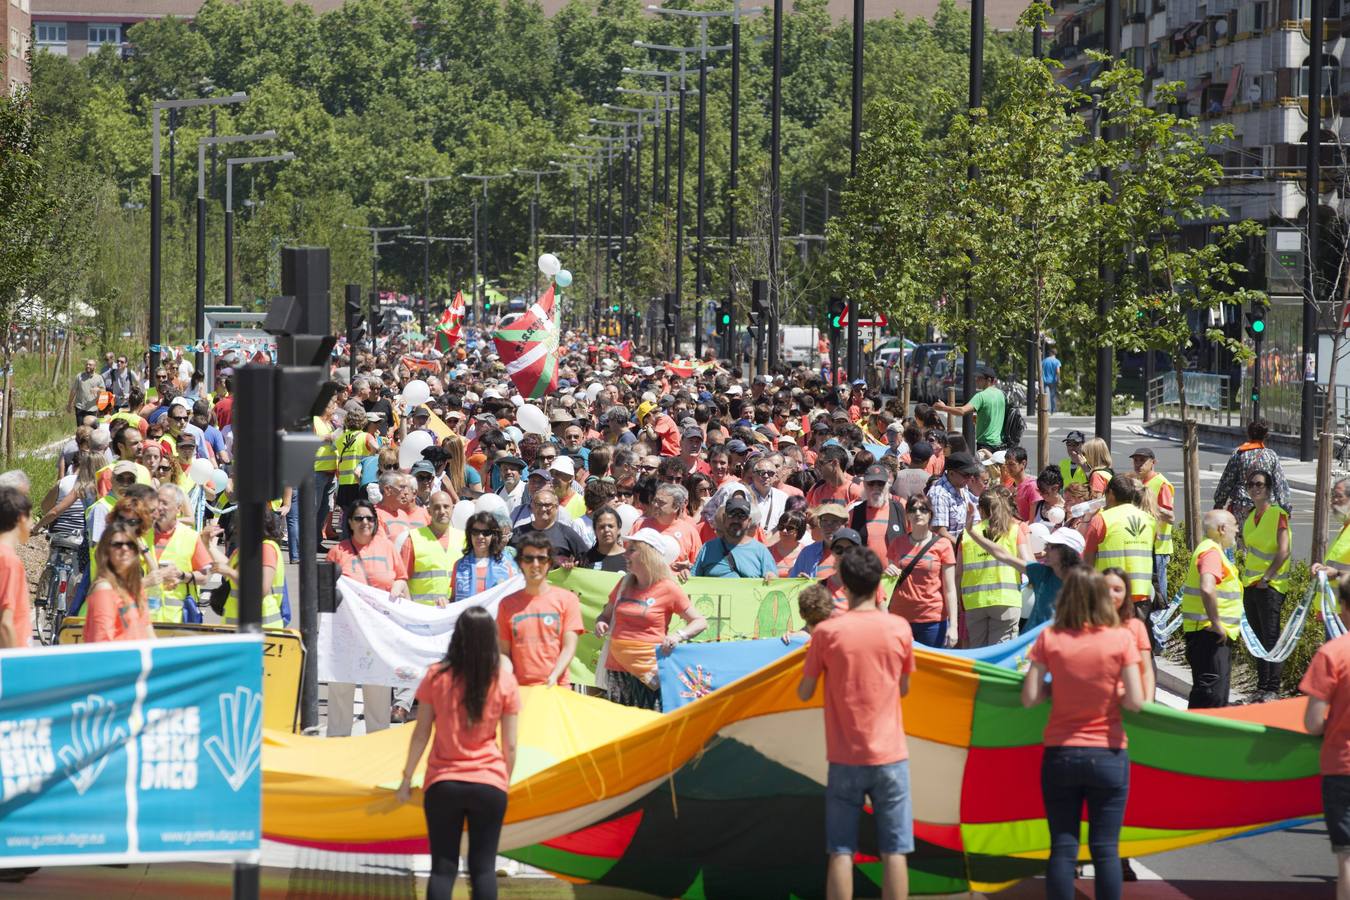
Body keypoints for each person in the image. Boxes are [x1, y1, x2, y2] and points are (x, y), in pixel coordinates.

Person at [797, 545, 915, 900]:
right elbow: (905, 688)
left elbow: (804, 692)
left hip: (845, 756)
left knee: (841, 849)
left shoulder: (826, 634)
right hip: (891, 756)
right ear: (879, 581)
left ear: (843, 584)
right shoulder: (899, 627)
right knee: (895, 849)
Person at [1022, 569, 1145, 900]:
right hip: (1109, 753)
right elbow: (1136, 701)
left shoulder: (1050, 638)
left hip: (1061, 754)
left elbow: (1030, 696)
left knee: (1063, 846)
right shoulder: (1120, 639)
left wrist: (1056, 690)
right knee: (1105, 848)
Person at [395, 606, 519, 900]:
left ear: (457, 637)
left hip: (443, 784)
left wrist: (406, 778)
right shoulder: (504, 680)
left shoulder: (437, 676)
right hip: (489, 783)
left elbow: (421, 733)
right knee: (483, 869)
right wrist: (505, 781)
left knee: (443, 867)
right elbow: (510, 745)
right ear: (491, 638)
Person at [594, 528, 708, 711]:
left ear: (647, 554)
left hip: (649, 673)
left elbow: (700, 621)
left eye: (632, 550)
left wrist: (678, 636)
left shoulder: (668, 588)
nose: (625, 554)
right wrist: (601, 622)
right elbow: (605, 615)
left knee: (646, 724)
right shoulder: (623, 584)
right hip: (617, 667)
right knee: (617, 724)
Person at [324, 498, 410, 736]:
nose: (365, 523)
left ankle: (376, 747)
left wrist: (397, 587)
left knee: (378, 693)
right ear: (350, 522)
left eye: (370, 518)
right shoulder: (337, 552)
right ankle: (337, 746)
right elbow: (322, 593)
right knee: (341, 693)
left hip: (378, 633)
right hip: (345, 633)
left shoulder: (387, 548)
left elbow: (401, 577)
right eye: (359, 518)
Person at [1299, 574, 1350, 900]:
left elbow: (1313, 722)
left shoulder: (1333, 654)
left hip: (1342, 766)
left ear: (1343, 607)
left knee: (1347, 859)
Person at [497, 532, 584, 686]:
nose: (535, 564)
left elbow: (569, 646)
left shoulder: (568, 600)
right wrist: (506, 676)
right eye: (528, 558)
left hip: (556, 690)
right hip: (520, 693)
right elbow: (504, 652)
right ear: (520, 563)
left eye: (541, 558)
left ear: (549, 562)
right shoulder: (506, 604)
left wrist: (553, 676)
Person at [1181, 510, 1241, 709]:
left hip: (1205, 633)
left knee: (1211, 694)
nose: (1237, 530)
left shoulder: (1210, 549)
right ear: (1222, 529)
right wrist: (1217, 623)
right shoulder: (1211, 552)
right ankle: (1198, 737)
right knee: (1211, 697)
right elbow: (1207, 587)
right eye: (1235, 525)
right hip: (1209, 634)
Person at [1241, 469, 1291, 701]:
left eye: (1259, 484)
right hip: (1250, 585)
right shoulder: (1251, 515)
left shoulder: (1278, 514)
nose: (1254, 488)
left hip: (1270, 586)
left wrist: (1267, 578)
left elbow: (1283, 550)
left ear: (1269, 488)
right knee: (1257, 639)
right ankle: (1261, 686)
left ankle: (1272, 687)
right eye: (1251, 484)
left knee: (1270, 638)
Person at [959, 487, 1029, 647]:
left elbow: (958, 574)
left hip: (975, 602)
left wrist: (959, 603)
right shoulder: (1014, 530)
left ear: (980, 510)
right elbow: (1028, 563)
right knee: (1000, 656)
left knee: (980, 655)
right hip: (1006, 600)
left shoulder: (967, 534)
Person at [885, 495, 958, 648]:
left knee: (931, 671)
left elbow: (950, 589)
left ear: (930, 514)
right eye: (913, 509)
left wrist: (953, 626)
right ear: (907, 515)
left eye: (923, 509)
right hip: (900, 619)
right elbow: (889, 583)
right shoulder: (897, 543)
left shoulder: (943, 544)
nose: (918, 513)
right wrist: (888, 571)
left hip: (932, 620)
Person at [204, 511, 287, 629]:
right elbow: (227, 566)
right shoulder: (245, 548)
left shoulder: (266, 548)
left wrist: (230, 572)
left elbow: (261, 589)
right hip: (239, 628)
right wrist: (207, 544)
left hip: (262, 630)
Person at [1083, 475, 1155, 605]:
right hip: (1142, 593)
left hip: (1111, 595)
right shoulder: (1149, 519)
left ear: (1110, 493)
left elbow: (1088, 561)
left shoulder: (1102, 519)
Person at [85, 522, 155, 643]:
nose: (124, 548)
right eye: (117, 545)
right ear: (106, 552)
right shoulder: (104, 590)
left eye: (130, 544)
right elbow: (102, 643)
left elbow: (148, 633)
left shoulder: (135, 589)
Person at [1213, 418, 1291, 525]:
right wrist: (1286, 507)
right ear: (1266, 436)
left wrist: (1219, 502)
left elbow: (1227, 480)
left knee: (1242, 538)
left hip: (1242, 506)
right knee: (1262, 538)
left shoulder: (1239, 453)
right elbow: (1279, 484)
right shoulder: (1271, 455)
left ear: (1248, 435)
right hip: (1265, 506)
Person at [394, 491, 461, 607]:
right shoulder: (413, 539)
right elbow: (401, 579)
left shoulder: (464, 538)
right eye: (436, 507)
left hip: (455, 612)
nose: (442, 511)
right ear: (429, 511)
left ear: (453, 508)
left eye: (446, 507)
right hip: (424, 615)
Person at [691, 494, 778, 578]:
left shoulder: (761, 551)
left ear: (749, 521)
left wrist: (771, 577)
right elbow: (692, 579)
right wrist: (685, 574)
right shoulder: (708, 548)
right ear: (724, 518)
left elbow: (772, 586)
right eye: (732, 515)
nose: (736, 520)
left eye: (741, 516)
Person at [1102, 566, 1155, 701]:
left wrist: (1148, 704)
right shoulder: (1087, 627)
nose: (1111, 594)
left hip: (1128, 706)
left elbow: (1146, 671)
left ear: (1126, 594)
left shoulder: (1136, 627)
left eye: (1117, 590)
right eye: (1105, 588)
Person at [1131, 448, 1175, 603]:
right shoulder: (1137, 483)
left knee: (1158, 594)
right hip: (1141, 545)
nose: (1138, 464)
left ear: (1153, 463)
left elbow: (1170, 517)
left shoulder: (1161, 484)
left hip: (1158, 549)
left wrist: (1149, 506)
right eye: (1136, 460)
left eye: (1142, 461)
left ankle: (1159, 623)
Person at [933, 364, 1006, 452]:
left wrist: (943, 407)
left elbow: (962, 411)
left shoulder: (981, 396)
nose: (976, 380)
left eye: (980, 378)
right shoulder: (1001, 394)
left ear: (989, 380)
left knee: (983, 466)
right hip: (1000, 444)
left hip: (985, 444)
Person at [453, 511, 520, 601]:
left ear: (494, 536)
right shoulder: (459, 565)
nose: (480, 536)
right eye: (475, 532)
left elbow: (515, 598)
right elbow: (453, 600)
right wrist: (444, 602)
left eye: (486, 532)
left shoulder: (508, 565)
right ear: (469, 534)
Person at [509, 488, 587, 565]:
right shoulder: (518, 532)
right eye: (539, 504)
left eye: (547, 505)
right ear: (532, 506)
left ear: (556, 507)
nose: (543, 509)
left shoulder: (566, 533)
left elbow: (586, 559)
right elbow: (506, 559)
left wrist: (573, 566)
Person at [0, 487, 32, 648]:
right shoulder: (9, 561)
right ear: (21, 518)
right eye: (31, 517)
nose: (32, 524)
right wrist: (14, 666)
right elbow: (5, 624)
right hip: (12, 660)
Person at [927, 453, 981, 542]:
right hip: (951, 551)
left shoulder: (962, 486)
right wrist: (963, 548)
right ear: (951, 473)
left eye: (972, 474)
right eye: (966, 475)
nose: (970, 478)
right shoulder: (939, 495)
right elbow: (940, 532)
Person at [806, 444, 861, 509]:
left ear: (835, 463)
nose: (817, 467)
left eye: (821, 463)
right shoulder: (819, 491)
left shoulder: (854, 492)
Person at [581, 507, 628, 573]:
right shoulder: (586, 559)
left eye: (611, 526)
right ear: (595, 531)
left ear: (619, 529)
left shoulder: (630, 559)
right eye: (602, 527)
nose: (606, 530)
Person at [67, 358, 106, 428]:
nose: (88, 366)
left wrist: (98, 389)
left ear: (95, 367)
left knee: (92, 430)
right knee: (81, 429)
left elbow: (104, 392)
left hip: (92, 408)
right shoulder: (79, 376)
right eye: (87, 364)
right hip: (80, 407)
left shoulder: (99, 378)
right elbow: (73, 391)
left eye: (90, 365)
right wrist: (69, 404)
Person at [768, 509, 808, 577]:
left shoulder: (806, 553)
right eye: (781, 527)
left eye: (790, 528)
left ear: (800, 530)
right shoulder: (768, 552)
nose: (784, 530)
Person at [1042, 346, 1061, 413]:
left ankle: (1045, 408)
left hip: (1044, 380)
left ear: (1051, 353)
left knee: (1045, 395)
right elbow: (1058, 371)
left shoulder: (1045, 360)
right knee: (1052, 395)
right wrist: (1058, 379)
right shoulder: (1057, 361)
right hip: (1053, 380)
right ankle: (1053, 410)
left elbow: (1040, 370)